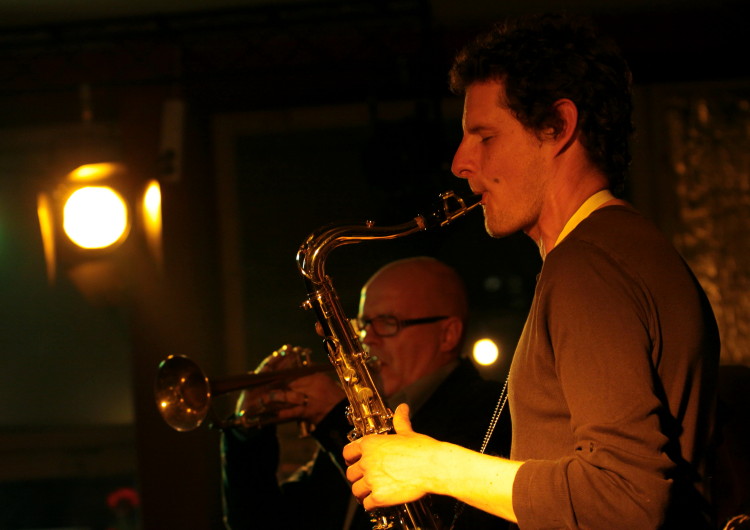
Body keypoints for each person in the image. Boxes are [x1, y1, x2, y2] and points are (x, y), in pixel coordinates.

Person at [343, 14, 721, 530]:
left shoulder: (586, 265)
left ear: (557, 126)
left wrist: (434, 467)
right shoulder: (629, 246)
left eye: (485, 137)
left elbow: (627, 499)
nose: (460, 163)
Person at [222, 256, 510, 529]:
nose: (367, 339)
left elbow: (435, 517)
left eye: (387, 322)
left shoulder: (491, 409)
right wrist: (247, 437)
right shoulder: (365, 414)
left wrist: (335, 417)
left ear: (448, 335)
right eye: (364, 324)